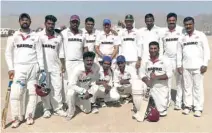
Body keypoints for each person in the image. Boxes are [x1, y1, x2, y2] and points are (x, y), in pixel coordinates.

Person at [5, 13, 45, 128]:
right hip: (19, 68)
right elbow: (8, 53)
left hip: (33, 68)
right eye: (23, 20)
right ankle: (16, 118)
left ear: (30, 21)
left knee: (32, 94)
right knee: (16, 94)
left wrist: (41, 69)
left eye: (27, 20)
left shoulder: (35, 36)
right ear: (19, 21)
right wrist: (11, 68)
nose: (25, 22)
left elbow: (39, 53)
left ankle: (29, 115)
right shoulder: (14, 36)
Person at [177, 17, 210, 117]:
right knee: (187, 87)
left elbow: (206, 50)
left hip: (198, 67)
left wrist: (205, 64)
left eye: (190, 24)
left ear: (193, 24)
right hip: (186, 67)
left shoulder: (200, 35)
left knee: (197, 88)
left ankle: (198, 108)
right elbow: (179, 52)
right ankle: (188, 106)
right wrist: (179, 65)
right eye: (186, 24)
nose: (188, 26)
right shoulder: (182, 37)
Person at [37, 15, 67, 118]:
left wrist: (62, 65)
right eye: (49, 23)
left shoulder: (58, 36)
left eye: (52, 24)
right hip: (43, 68)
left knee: (57, 88)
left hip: (55, 67)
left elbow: (61, 52)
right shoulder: (39, 35)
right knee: (45, 88)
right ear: (45, 24)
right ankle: (47, 109)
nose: (50, 25)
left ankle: (58, 108)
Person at [139, 41, 172, 121]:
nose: (153, 50)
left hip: (160, 87)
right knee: (141, 110)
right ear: (149, 50)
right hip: (148, 86)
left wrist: (156, 77)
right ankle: (147, 103)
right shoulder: (145, 60)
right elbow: (141, 73)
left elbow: (169, 74)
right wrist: (147, 81)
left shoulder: (165, 59)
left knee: (161, 112)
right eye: (151, 48)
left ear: (159, 49)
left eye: (155, 48)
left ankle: (157, 103)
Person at [118, 14, 144, 112]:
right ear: (125, 21)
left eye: (130, 21)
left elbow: (140, 46)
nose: (128, 22)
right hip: (124, 60)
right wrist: (119, 58)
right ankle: (127, 96)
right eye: (127, 21)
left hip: (133, 60)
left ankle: (135, 98)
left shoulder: (136, 32)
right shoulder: (122, 32)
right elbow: (119, 46)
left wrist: (139, 59)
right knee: (124, 78)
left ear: (133, 22)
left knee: (134, 79)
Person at [60, 15, 88, 106]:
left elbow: (85, 48)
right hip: (68, 62)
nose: (75, 23)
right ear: (70, 22)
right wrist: (62, 64)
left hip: (79, 62)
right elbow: (61, 50)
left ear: (79, 23)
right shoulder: (64, 33)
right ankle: (67, 103)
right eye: (73, 22)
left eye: (76, 22)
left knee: (79, 82)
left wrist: (86, 61)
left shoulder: (82, 33)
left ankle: (77, 102)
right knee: (67, 83)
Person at [66, 51, 100, 120]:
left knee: (87, 111)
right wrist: (84, 91)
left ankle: (79, 101)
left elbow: (93, 81)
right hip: (76, 89)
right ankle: (70, 112)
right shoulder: (77, 69)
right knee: (70, 93)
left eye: (91, 60)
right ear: (83, 60)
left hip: (85, 91)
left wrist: (89, 93)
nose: (89, 62)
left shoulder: (96, 67)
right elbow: (71, 85)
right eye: (87, 60)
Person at [160, 12, 184, 109]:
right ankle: (167, 101)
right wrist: (161, 59)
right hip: (167, 60)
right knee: (167, 83)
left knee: (179, 83)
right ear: (167, 21)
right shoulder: (163, 32)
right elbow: (161, 47)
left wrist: (181, 62)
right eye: (170, 21)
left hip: (178, 60)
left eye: (173, 21)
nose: (171, 22)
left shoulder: (181, 30)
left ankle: (178, 102)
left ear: (176, 21)